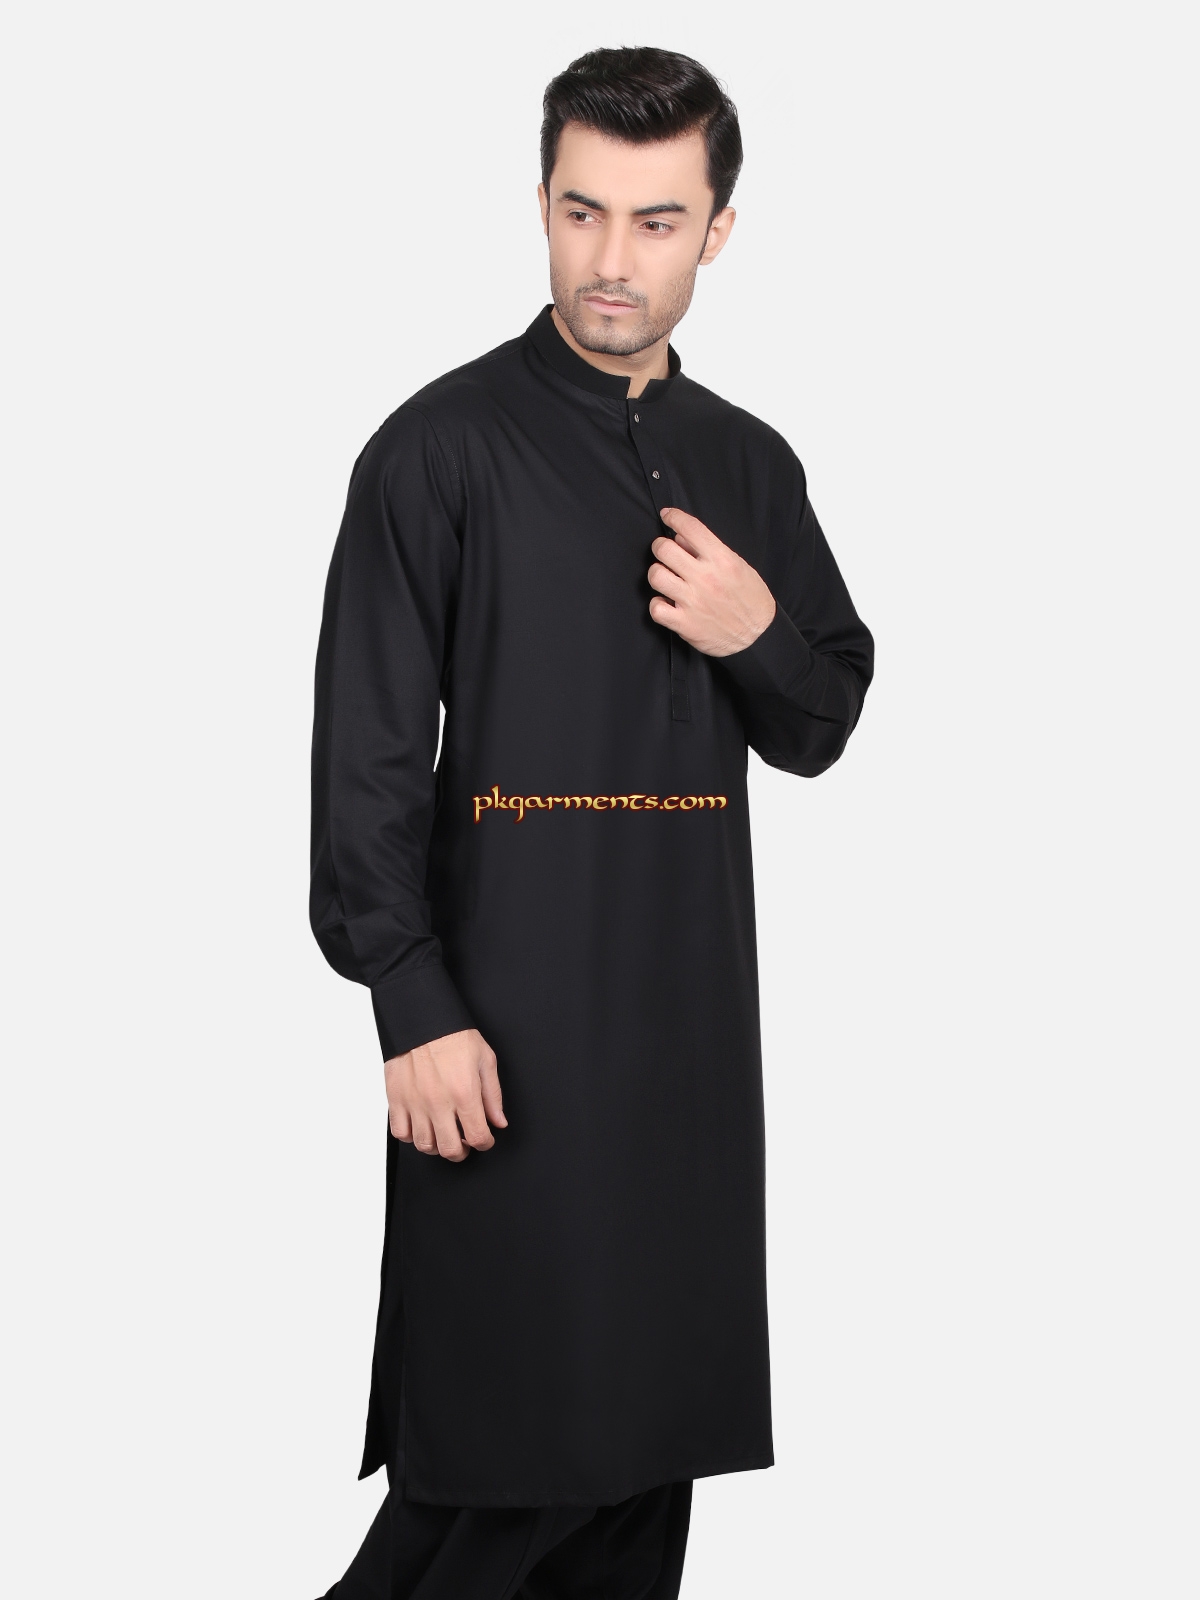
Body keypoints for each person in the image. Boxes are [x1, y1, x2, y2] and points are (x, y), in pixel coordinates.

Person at [309, 45, 874, 1600]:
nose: (611, 258)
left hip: (689, 1066)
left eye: (656, 220)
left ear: (718, 231)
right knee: (494, 1478)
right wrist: (410, 1002)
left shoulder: (749, 464)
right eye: (582, 211)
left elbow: (819, 717)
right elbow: (366, 760)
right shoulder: (438, 451)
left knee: (635, 1495)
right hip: (500, 1052)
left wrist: (756, 630)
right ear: (542, 204)